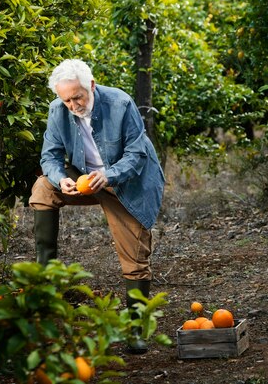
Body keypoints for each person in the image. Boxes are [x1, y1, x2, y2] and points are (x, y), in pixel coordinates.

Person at [28, 59, 165, 354]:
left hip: (125, 182)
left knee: (135, 257)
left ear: (91, 85)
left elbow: (137, 153)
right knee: (43, 188)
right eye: (66, 99)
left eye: (78, 97)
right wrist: (61, 178)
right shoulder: (58, 111)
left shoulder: (119, 103)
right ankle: (46, 276)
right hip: (84, 178)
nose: (73, 104)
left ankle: (135, 327)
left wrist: (109, 175)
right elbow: (49, 157)